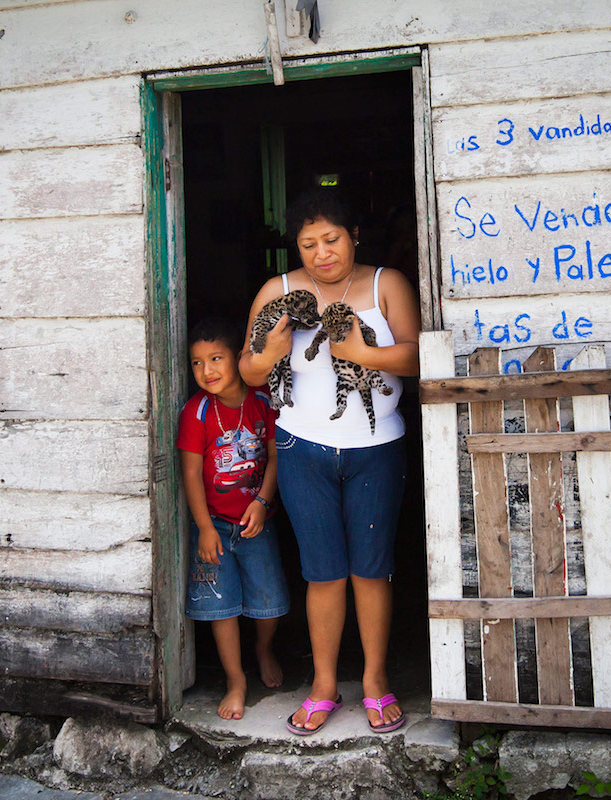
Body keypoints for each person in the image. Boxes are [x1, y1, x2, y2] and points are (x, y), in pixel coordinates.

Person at [240, 188, 420, 735]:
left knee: (372, 569)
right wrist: (271, 352)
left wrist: (364, 355)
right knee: (323, 573)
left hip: (377, 447)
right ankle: (323, 686)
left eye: (332, 239)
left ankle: (373, 681)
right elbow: (249, 371)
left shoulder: (387, 283)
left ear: (354, 236)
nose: (321, 253)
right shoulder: (280, 290)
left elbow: (415, 353)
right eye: (309, 243)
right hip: (301, 448)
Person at [177, 317, 289, 720]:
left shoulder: (262, 401)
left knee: (270, 601)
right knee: (220, 607)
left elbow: (276, 455)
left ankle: (263, 648)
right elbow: (190, 472)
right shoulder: (197, 412)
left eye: (216, 358)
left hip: (256, 520)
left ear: (238, 359)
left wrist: (261, 501)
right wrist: (205, 528)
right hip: (215, 527)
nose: (207, 371)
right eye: (196, 363)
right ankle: (235, 679)